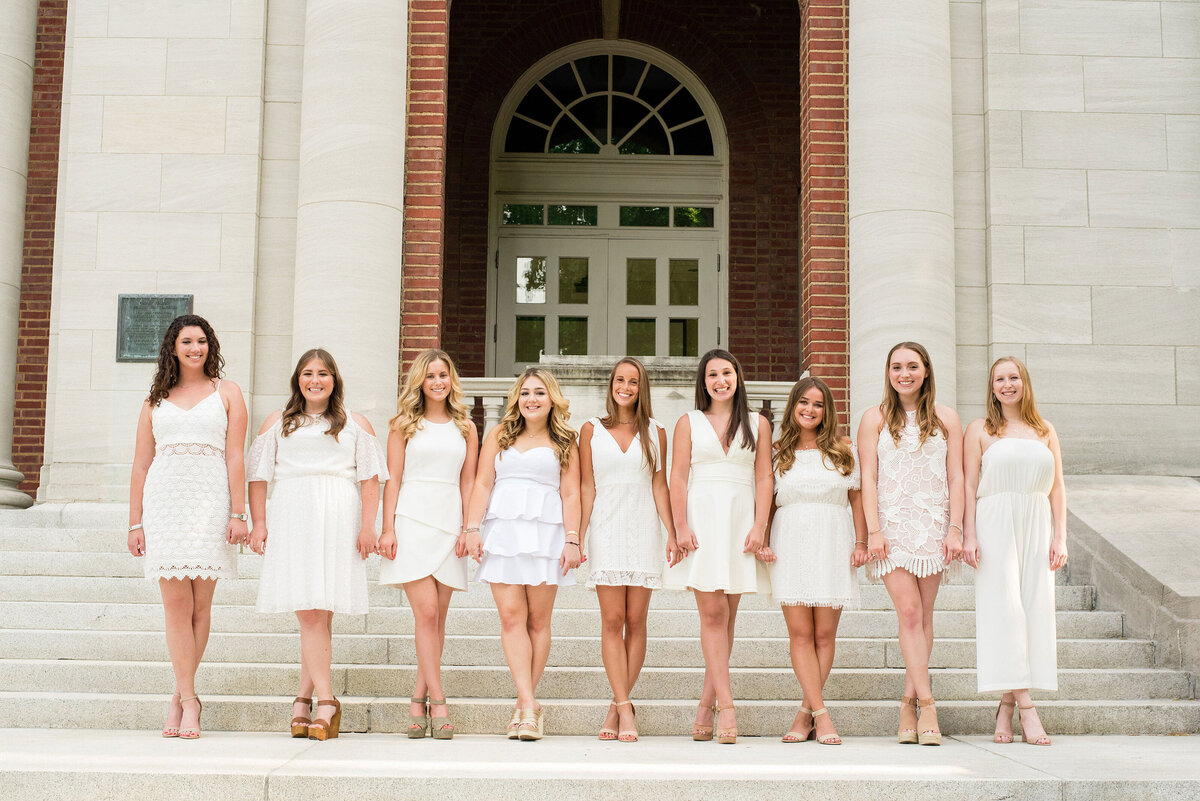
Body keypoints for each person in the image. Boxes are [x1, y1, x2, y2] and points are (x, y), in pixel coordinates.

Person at [246, 348, 386, 741]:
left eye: (323, 373)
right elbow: (257, 476)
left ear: (334, 379)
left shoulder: (355, 424)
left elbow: (372, 480)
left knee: (321, 614)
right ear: (298, 380)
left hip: (339, 516)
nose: (315, 380)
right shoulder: (278, 422)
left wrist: (368, 527)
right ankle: (327, 701)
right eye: (308, 373)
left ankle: (303, 698)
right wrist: (258, 523)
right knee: (308, 611)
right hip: (293, 514)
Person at [128, 314, 248, 740]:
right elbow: (142, 464)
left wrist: (239, 513)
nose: (194, 348)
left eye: (201, 341)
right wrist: (134, 522)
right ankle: (189, 698)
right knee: (176, 606)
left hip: (212, 502)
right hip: (166, 506)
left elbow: (236, 457)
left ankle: (181, 696)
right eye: (186, 342)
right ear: (173, 348)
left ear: (209, 346)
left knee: (201, 607)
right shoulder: (154, 400)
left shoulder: (228, 393)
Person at [463, 367, 581, 741]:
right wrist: (471, 528)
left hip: (547, 531)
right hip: (505, 530)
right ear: (517, 397)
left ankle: (525, 705)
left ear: (552, 400)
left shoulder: (565, 440)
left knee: (538, 621)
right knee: (512, 617)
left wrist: (573, 539)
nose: (532, 399)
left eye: (540, 393)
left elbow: (571, 493)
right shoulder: (499, 434)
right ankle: (529, 703)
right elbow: (483, 483)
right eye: (526, 392)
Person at [858, 341, 964, 746]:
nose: (905, 374)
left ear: (926, 371)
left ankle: (907, 700)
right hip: (893, 526)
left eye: (913, 366)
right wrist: (873, 531)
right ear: (888, 372)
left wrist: (954, 528)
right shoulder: (875, 418)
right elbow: (869, 477)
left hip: (934, 525)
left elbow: (956, 477)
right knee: (908, 611)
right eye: (897, 367)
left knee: (925, 616)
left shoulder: (947, 418)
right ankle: (928, 703)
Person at [666, 349, 772, 744]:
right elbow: (677, 478)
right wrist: (679, 525)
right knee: (711, 613)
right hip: (703, 520)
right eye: (712, 374)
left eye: (727, 372)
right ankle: (727, 706)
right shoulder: (688, 422)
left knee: (727, 617)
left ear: (737, 377)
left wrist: (760, 525)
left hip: (741, 520)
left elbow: (764, 478)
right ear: (704, 381)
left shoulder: (758, 423)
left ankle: (706, 702)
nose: (720, 380)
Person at [962, 356, 1067, 746]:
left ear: (1025, 383)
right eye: (999, 379)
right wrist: (968, 533)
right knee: (1005, 611)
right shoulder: (981, 429)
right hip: (994, 522)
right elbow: (970, 484)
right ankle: (1027, 708)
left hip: (1037, 521)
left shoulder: (1045, 430)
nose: (1007, 384)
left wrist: (1061, 536)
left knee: (1032, 610)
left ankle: (1005, 708)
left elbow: (1057, 487)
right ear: (991, 388)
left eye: (1014, 377)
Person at [761, 376, 869, 745]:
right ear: (792, 406)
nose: (810, 410)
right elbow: (767, 502)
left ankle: (805, 712)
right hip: (789, 541)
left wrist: (861, 542)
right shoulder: (777, 452)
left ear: (828, 411)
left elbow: (856, 500)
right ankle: (822, 716)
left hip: (833, 540)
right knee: (801, 634)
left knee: (824, 634)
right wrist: (761, 539)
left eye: (818, 404)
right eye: (803, 402)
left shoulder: (844, 449)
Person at [377, 349, 478, 740]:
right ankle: (439, 701)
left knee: (438, 620)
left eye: (444, 375)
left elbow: (469, 482)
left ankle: (417, 699)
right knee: (427, 614)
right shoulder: (404, 424)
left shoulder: (466, 427)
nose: (438, 381)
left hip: (450, 523)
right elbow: (394, 480)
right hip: (413, 520)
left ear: (451, 380)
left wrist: (469, 528)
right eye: (431, 375)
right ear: (419, 381)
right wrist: (387, 528)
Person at [578, 357, 678, 743]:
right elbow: (587, 487)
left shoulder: (656, 431)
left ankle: (618, 705)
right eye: (620, 380)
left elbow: (660, 486)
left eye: (633, 381)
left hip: (642, 530)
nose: (625, 387)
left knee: (636, 621)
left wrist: (671, 532)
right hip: (605, 528)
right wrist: (579, 535)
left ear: (641, 388)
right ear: (611, 385)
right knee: (611, 620)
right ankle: (624, 708)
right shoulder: (590, 430)